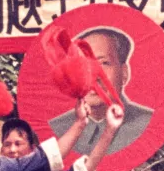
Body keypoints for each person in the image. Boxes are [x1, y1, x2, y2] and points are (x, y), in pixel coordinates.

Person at [46, 27, 155, 157]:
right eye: (82, 65)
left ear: (124, 73)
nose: (93, 75)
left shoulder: (147, 123)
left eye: (104, 63)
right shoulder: (60, 127)